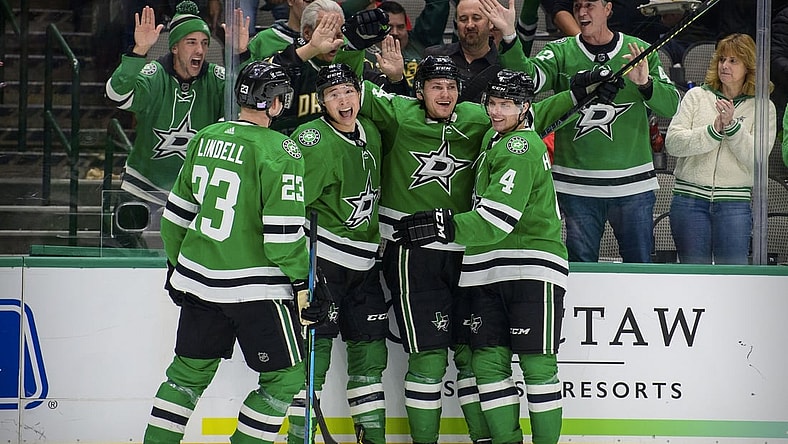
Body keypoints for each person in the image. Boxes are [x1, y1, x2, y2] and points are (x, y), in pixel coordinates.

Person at [352, 40, 584, 442]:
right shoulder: (399, 111)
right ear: (418, 88)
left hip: (471, 253)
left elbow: (529, 113)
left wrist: (578, 93)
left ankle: (488, 439)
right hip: (423, 255)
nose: (445, 94)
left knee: (475, 359)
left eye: (451, 86)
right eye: (435, 86)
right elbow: (348, 90)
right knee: (432, 360)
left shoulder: (486, 123)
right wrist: (353, 48)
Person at [144, 61, 325, 444]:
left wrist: (178, 268)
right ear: (274, 103)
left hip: (198, 282)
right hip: (256, 290)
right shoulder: (282, 150)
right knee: (286, 378)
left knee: (185, 376)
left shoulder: (206, 136)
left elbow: (173, 220)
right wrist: (304, 280)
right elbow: (281, 238)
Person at [392, 69, 567, 444]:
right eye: (492, 103)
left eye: (507, 104)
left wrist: (442, 226)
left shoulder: (520, 147)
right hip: (483, 271)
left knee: (538, 366)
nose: (496, 112)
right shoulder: (493, 136)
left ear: (525, 107)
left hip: (531, 265)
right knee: (487, 365)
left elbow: (497, 219)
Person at [484, 0, 680, 263]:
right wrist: (509, 36)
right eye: (578, 6)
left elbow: (670, 106)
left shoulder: (639, 51)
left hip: (632, 185)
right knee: (579, 268)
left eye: (590, 5)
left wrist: (645, 84)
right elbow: (526, 83)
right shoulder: (561, 51)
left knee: (640, 270)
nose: (582, 12)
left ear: (608, 9)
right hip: (577, 186)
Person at [285, 63, 389, 444]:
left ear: (359, 92)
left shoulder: (372, 132)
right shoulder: (311, 139)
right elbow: (290, 205)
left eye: (348, 91)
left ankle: (372, 437)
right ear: (321, 102)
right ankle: (301, 438)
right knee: (315, 359)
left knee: (370, 357)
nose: (343, 101)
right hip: (324, 263)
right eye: (332, 95)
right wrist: (297, 273)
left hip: (365, 265)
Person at [105, 1, 249, 247]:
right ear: (174, 47)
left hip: (194, 187)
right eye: (191, 42)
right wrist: (138, 52)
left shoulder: (215, 78)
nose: (200, 50)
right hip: (143, 183)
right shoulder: (154, 73)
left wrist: (241, 55)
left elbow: (248, 103)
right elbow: (116, 95)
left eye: (204, 43)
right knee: (121, 249)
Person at [665, 33, 777, 264]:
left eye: (733, 61)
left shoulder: (764, 107)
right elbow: (673, 143)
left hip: (734, 203)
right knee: (693, 277)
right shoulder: (697, 96)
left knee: (734, 278)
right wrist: (713, 131)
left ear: (749, 66)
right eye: (722, 59)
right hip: (690, 200)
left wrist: (733, 127)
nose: (724, 65)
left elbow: (757, 158)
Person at [424, 0, 501, 103]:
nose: (469, 25)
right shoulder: (434, 57)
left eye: (476, 18)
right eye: (463, 19)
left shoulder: (502, 65)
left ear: (491, 22)